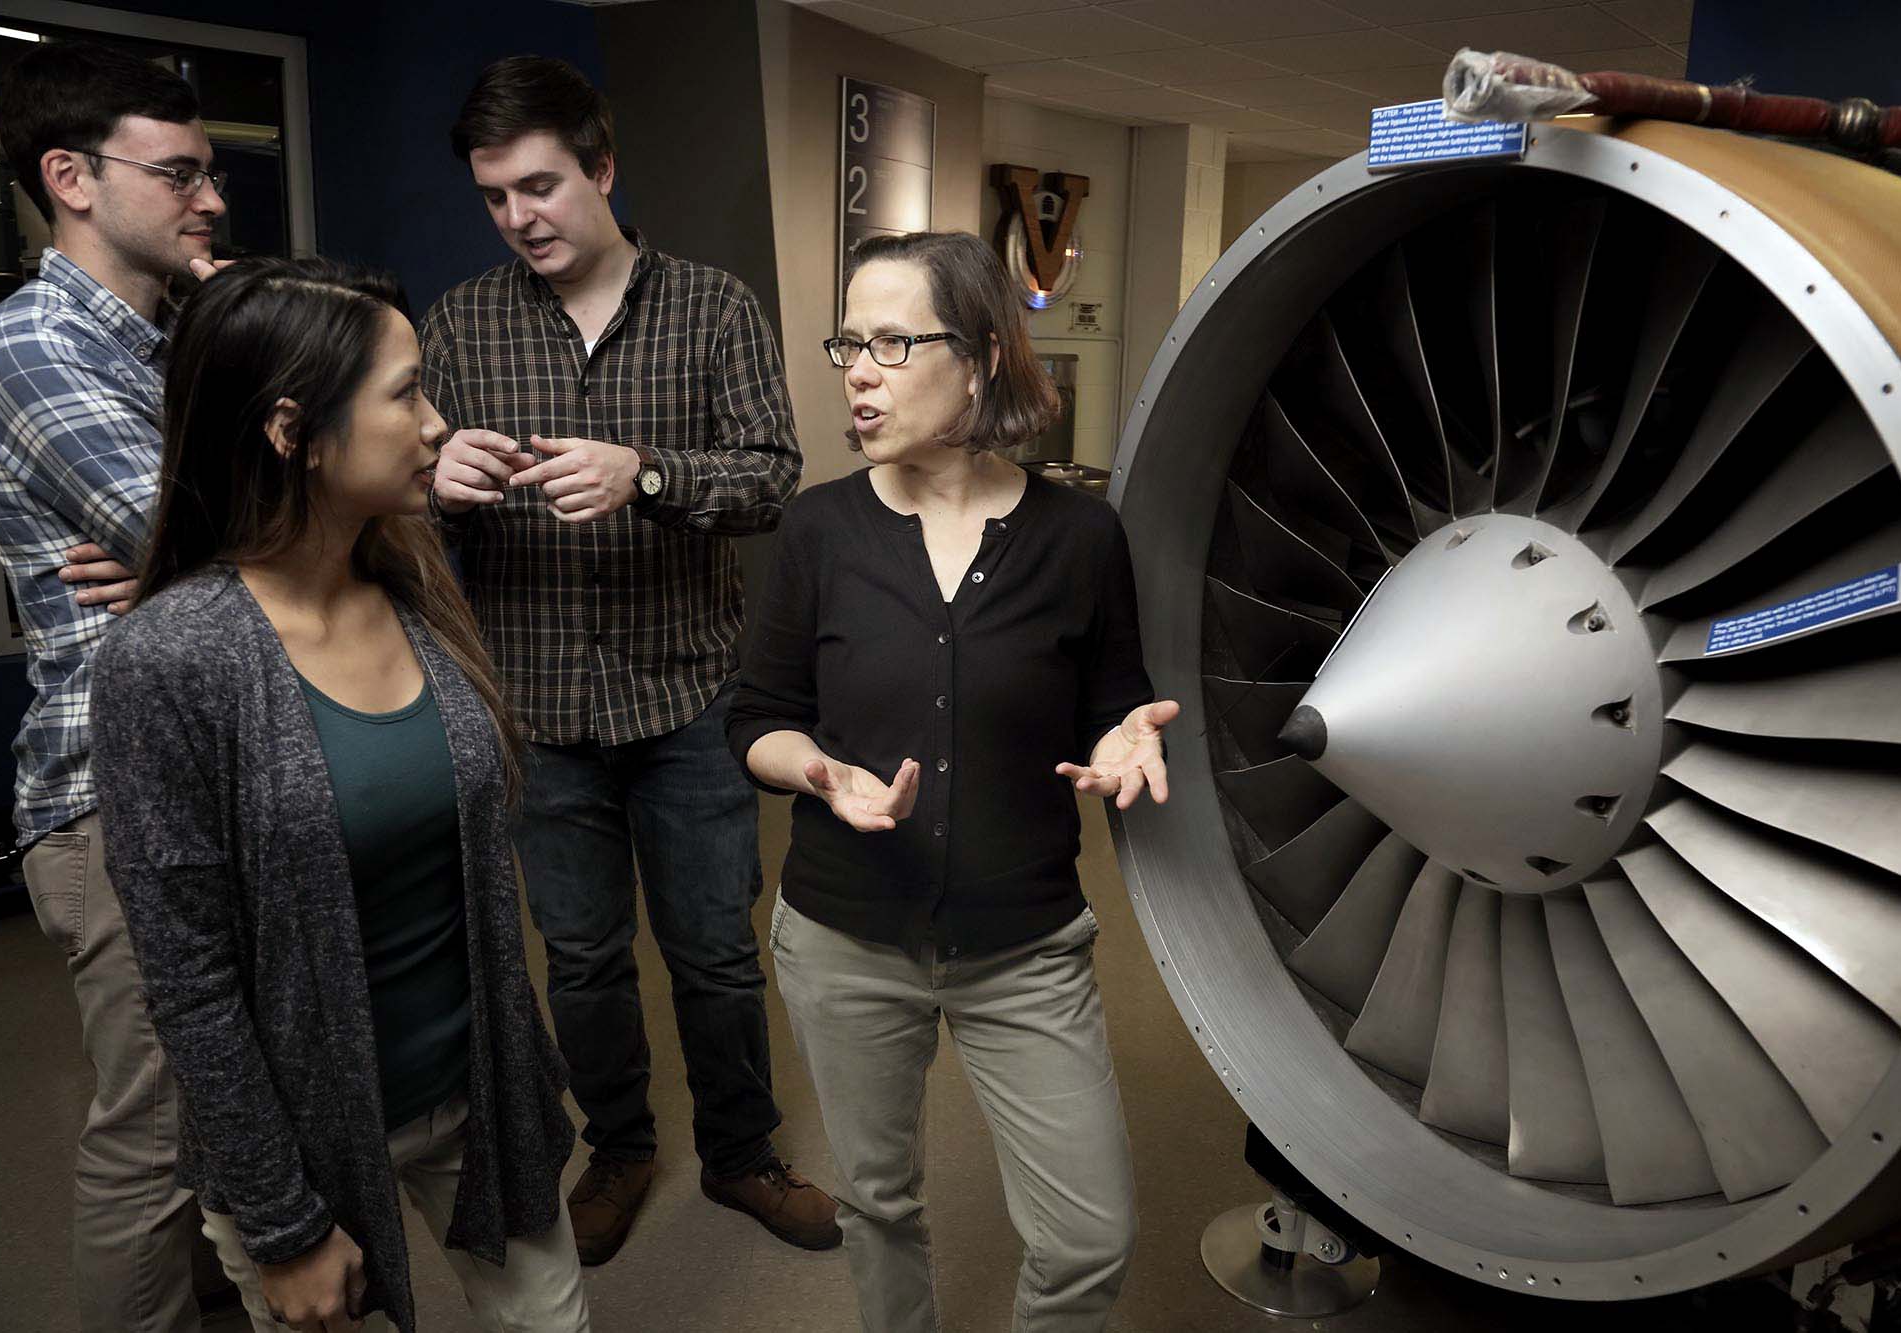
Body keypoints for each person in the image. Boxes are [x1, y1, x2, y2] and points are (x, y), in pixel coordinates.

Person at [89, 257, 589, 1333]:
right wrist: (282, 1225)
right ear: (290, 428)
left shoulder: (411, 585)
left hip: (477, 1097)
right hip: (305, 1141)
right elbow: (190, 983)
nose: (437, 423)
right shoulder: (170, 660)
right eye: (407, 392)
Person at [727, 230, 1180, 1331]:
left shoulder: (1079, 535)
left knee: (1087, 1237)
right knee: (877, 1204)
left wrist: (1125, 735)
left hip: (1023, 947)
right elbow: (758, 721)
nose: (859, 369)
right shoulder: (818, 529)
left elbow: (1116, 692)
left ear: (978, 359)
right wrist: (820, 774)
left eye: (893, 340)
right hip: (843, 941)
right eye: (849, 341)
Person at [423, 55, 830, 1262]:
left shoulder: (714, 307)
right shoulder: (457, 324)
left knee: (712, 948)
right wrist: (432, 487)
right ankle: (619, 1147)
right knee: (585, 958)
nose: (518, 217)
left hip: (685, 700)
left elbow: (771, 477)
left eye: (540, 185)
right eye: (495, 196)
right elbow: (394, 506)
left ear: (602, 168)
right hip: (536, 710)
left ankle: (744, 1154)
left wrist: (645, 474)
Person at [0, 42, 232, 1332]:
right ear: (71, 176)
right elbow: (189, 539)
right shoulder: (27, 346)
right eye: (180, 171)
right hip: (116, 798)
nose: (212, 198)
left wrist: (218, 553)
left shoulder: (190, 328)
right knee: (151, 1143)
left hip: (229, 768)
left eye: (212, 170)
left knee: (230, 1110)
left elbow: (241, 547)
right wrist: (218, 549)